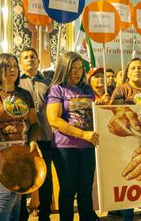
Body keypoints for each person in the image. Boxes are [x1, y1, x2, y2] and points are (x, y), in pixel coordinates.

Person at [0, 53, 41, 220]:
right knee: (7, 195)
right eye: (7, 66)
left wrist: (32, 141)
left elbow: (34, 124)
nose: (12, 69)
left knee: (17, 194)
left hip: (20, 151)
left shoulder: (24, 94)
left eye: (14, 65)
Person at [46, 52, 99, 221]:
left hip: (88, 147)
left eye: (80, 69)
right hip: (65, 148)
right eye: (72, 69)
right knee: (68, 190)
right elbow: (54, 120)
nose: (77, 72)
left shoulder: (87, 88)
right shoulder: (56, 89)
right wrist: (83, 134)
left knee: (85, 190)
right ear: (64, 68)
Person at [110, 57, 141, 221]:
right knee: (129, 182)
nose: (137, 71)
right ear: (127, 72)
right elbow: (115, 113)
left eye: (140, 68)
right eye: (133, 68)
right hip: (128, 144)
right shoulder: (121, 91)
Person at [18, 48, 53, 221]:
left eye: (33, 57)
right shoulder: (15, 82)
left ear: (39, 61)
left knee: (46, 180)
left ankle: (45, 215)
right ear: (20, 62)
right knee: (23, 179)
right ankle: (21, 215)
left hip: (46, 137)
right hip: (22, 139)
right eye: (25, 57)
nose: (30, 59)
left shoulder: (48, 82)